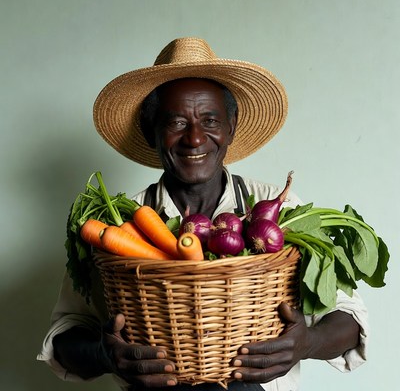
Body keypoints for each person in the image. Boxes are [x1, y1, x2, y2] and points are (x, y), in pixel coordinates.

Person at [38, 38, 368, 391]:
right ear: (152, 133)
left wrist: (307, 343)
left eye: (210, 120)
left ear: (231, 126)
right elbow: (63, 338)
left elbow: (349, 319)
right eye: (176, 123)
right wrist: (105, 355)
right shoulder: (119, 222)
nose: (194, 139)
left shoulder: (278, 210)